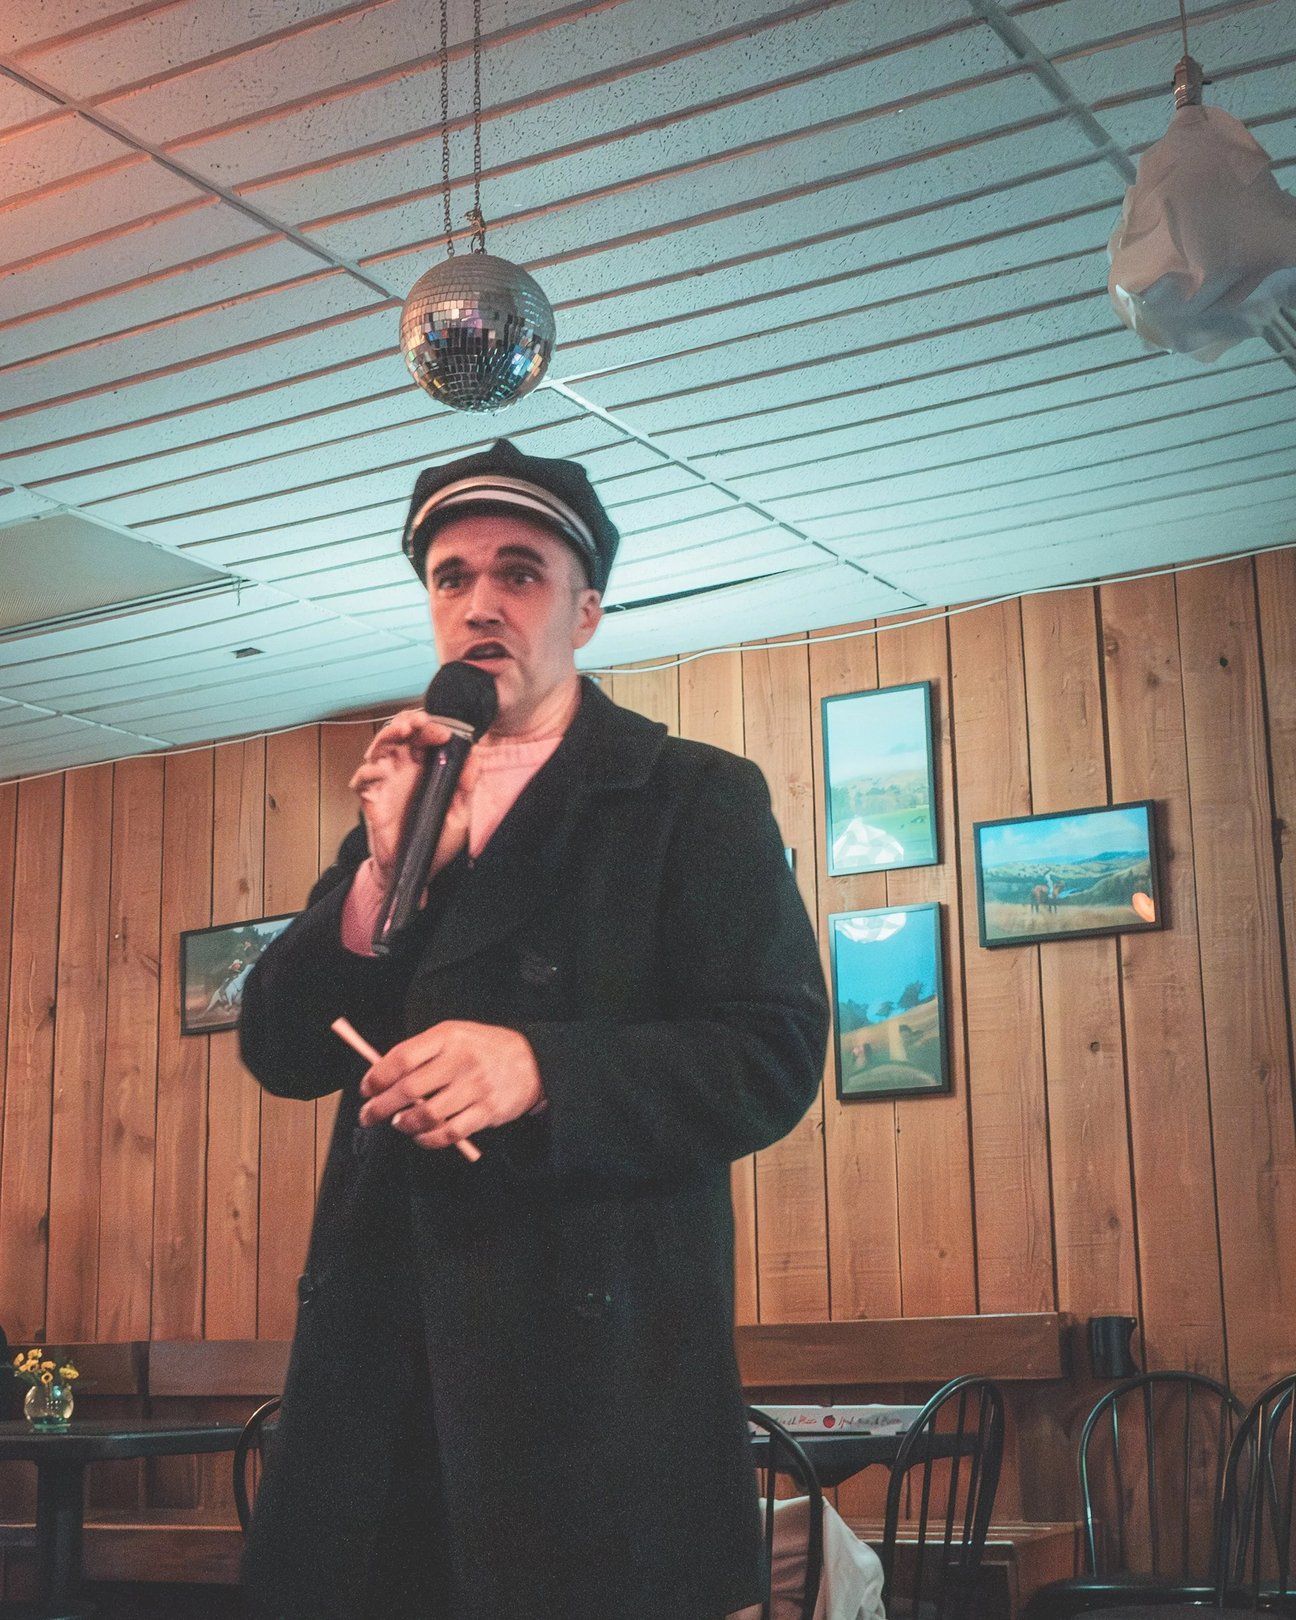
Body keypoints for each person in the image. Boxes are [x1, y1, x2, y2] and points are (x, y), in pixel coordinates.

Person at [238, 438, 829, 1620]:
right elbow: (280, 1048)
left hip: (594, 1392)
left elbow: (771, 1055)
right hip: (378, 1374)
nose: (480, 605)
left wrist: (539, 1067)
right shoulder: (403, 803)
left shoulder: (691, 795)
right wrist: (380, 881)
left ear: (587, 611)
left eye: (520, 573)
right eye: (451, 578)